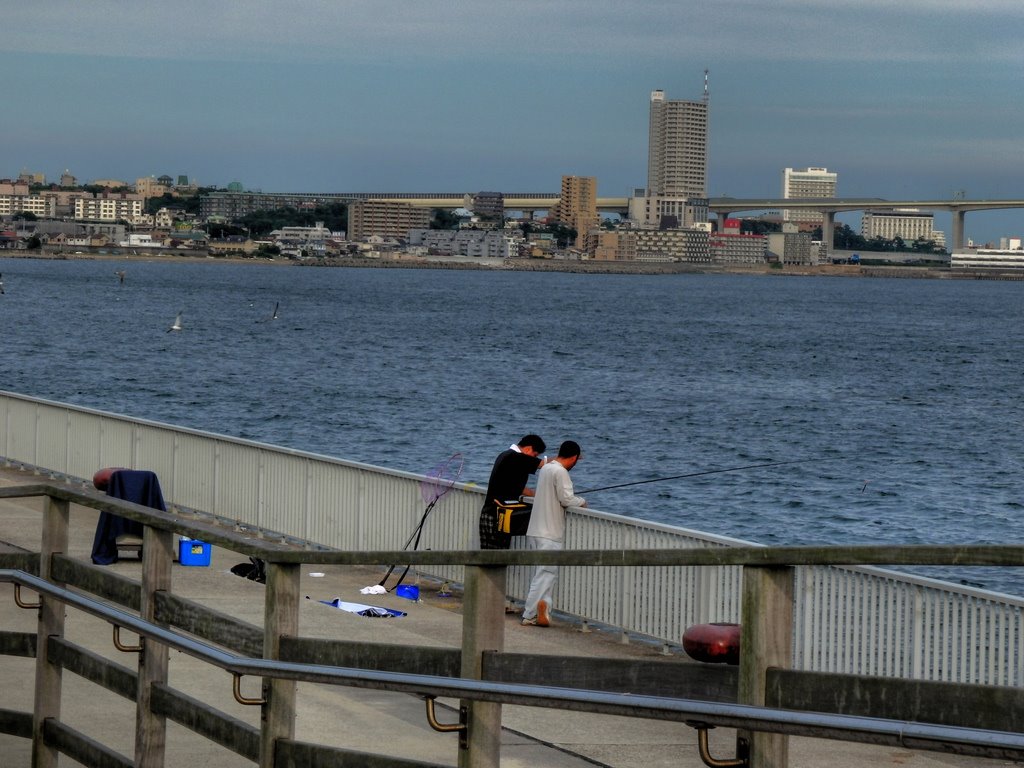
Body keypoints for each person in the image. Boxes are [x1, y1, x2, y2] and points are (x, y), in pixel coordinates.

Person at [521, 440, 586, 627]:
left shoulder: (546, 469)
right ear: (573, 458)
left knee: (545, 573)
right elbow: (567, 499)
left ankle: (544, 612)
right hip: (550, 532)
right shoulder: (561, 472)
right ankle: (530, 614)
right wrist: (581, 501)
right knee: (545, 574)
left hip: (536, 529)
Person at [479, 434, 546, 550]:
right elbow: (543, 464)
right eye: (534, 455)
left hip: (492, 513)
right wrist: (565, 458)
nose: (533, 459)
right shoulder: (515, 457)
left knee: (490, 558)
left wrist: (541, 495)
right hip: (497, 515)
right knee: (497, 558)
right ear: (528, 448)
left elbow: (517, 488)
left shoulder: (505, 455)